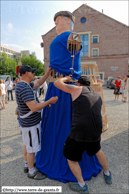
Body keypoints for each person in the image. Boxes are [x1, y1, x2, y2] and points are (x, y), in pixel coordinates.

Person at [36, 11, 102, 183]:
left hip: (64, 85)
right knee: (56, 123)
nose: (56, 23)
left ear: (67, 20)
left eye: (57, 20)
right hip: (57, 85)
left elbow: (73, 63)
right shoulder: (65, 38)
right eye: (55, 20)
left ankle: (71, 162)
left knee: (67, 122)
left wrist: (68, 78)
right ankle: (59, 156)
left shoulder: (72, 36)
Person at [54, 76, 112, 193]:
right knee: (98, 150)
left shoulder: (77, 89)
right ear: (89, 84)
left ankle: (82, 185)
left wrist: (66, 78)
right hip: (96, 129)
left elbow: (56, 83)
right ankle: (107, 173)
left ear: (79, 84)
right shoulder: (97, 95)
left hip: (80, 130)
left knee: (70, 157)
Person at [15, 65, 58, 180]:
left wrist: (47, 74)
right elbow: (34, 108)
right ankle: (31, 172)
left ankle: (26, 164)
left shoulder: (23, 84)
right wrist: (49, 101)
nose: (33, 74)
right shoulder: (24, 88)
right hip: (30, 124)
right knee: (32, 149)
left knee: (27, 144)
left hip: (26, 123)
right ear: (26, 74)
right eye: (32, 72)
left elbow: (38, 83)